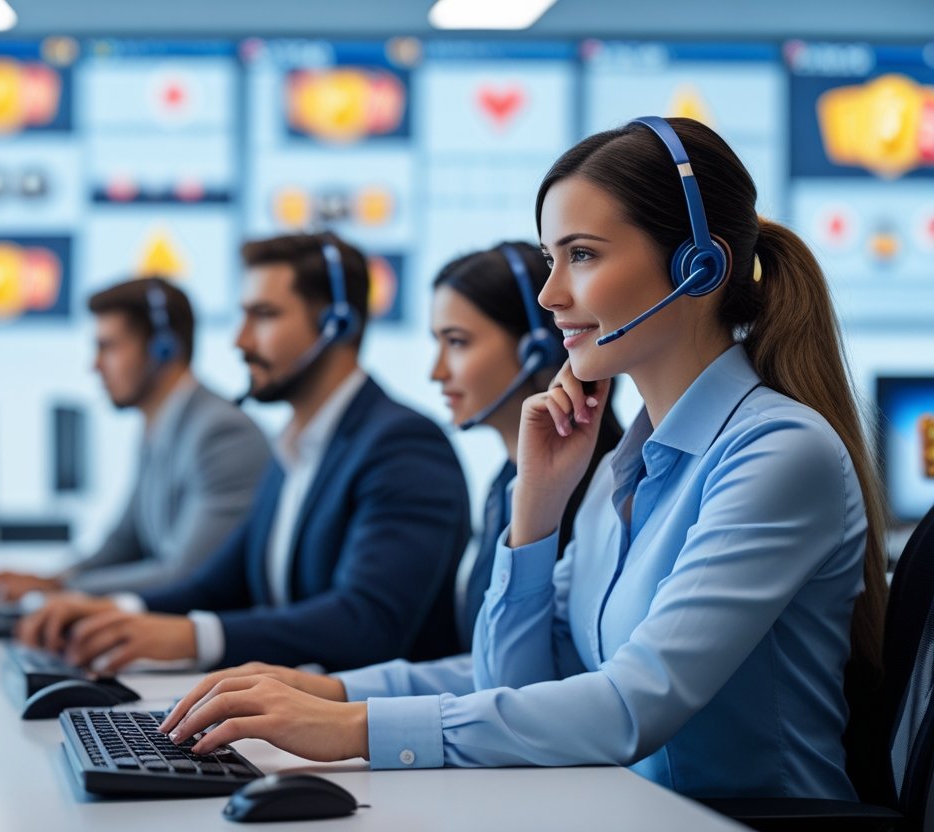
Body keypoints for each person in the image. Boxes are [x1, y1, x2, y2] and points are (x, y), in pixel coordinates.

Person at [157, 117, 889, 802]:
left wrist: (350, 730)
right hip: (616, 809)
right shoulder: (614, 474)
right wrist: (535, 513)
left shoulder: (778, 454)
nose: (550, 294)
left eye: (582, 255)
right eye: (550, 258)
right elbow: (516, 677)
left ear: (698, 267)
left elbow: (633, 704)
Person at [17, 232, 471, 672]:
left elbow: (364, 622)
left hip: (379, 739)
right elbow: (217, 585)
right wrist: (116, 612)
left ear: (338, 325)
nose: (241, 340)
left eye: (264, 315)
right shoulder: (293, 449)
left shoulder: (403, 446)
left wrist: (190, 638)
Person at [0, 276, 270, 600]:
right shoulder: (158, 426)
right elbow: (123, 542)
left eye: (108, 347)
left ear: (163, 348)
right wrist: (49, 579)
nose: (95, 366)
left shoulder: (221, 434)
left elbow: (185, 574)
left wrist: (58, 590)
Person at [429, 242, 622, 647]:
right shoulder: (505, 481)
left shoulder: (601, 485)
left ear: (539, 349)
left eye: (458, 342)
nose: (437, 372)